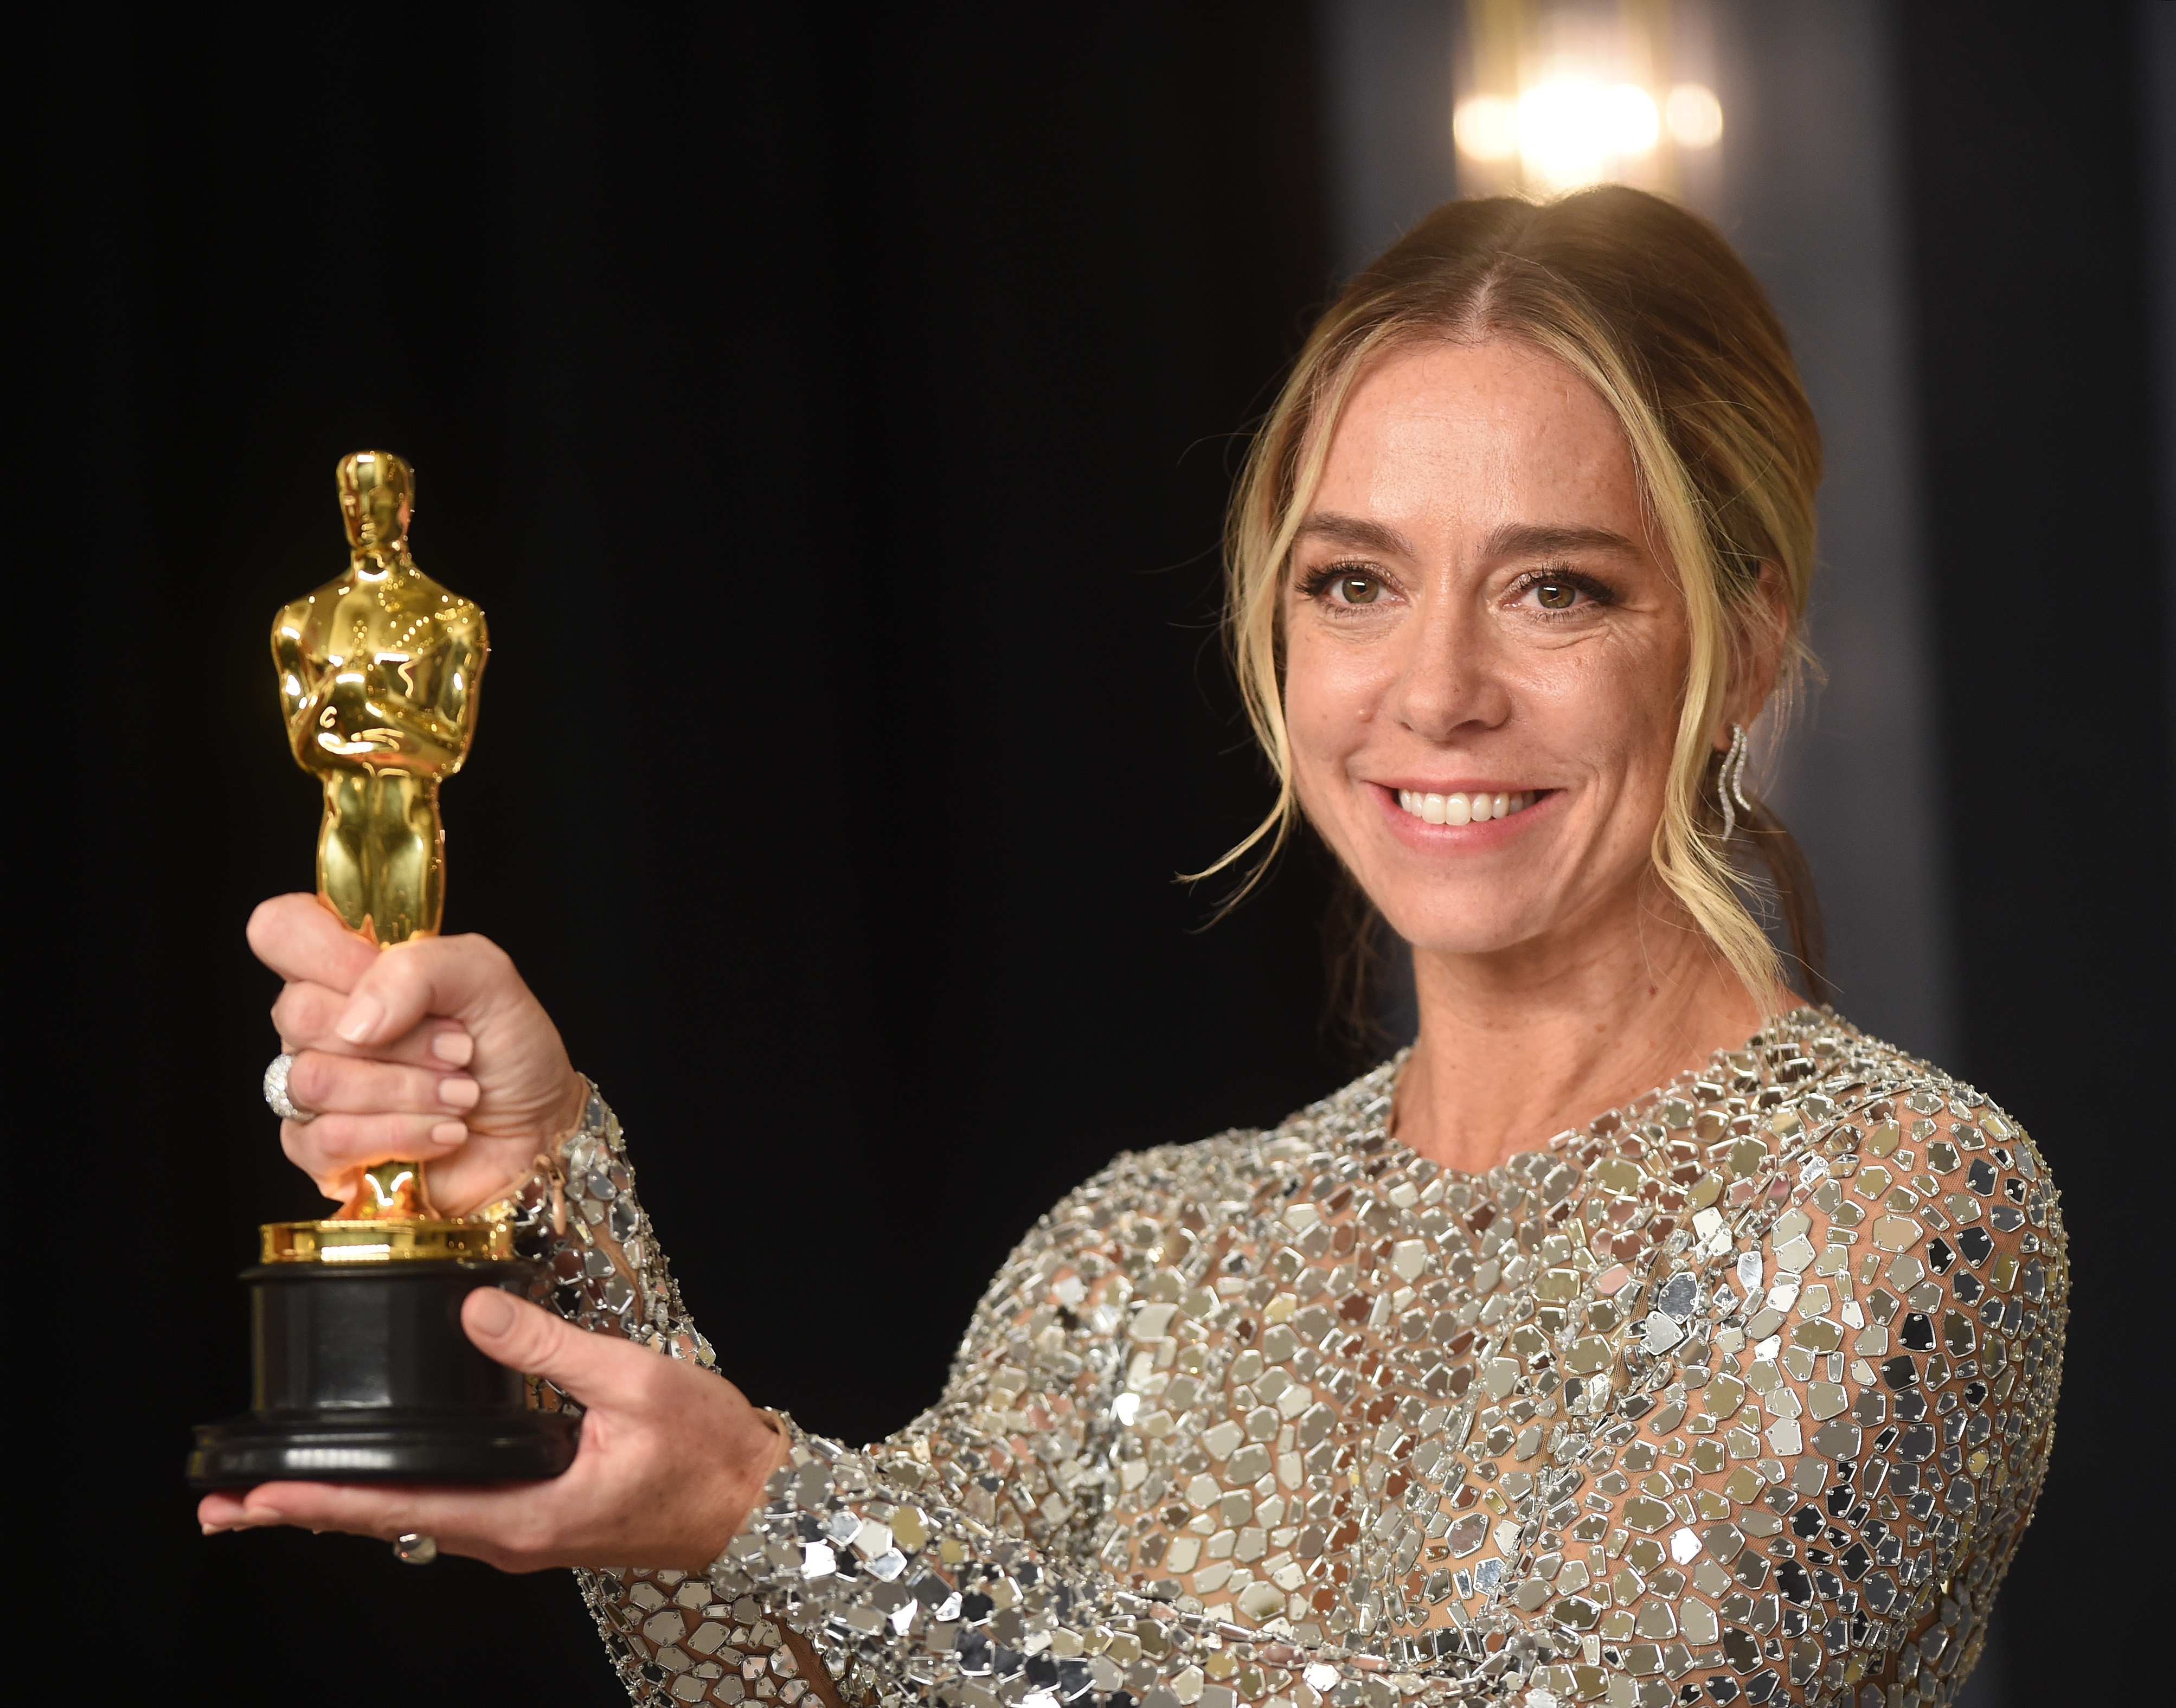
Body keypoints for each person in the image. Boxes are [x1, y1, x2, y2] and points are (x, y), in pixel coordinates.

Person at [200, 188, 2063, 1708]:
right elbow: (828, 1679)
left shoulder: (1898, 1197)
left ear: (1741, 644)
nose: (1436, 690)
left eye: (1557, 587)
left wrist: (780, 1516)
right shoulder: (1143, 1253)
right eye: (1354, 583)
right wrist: (542, 1196)